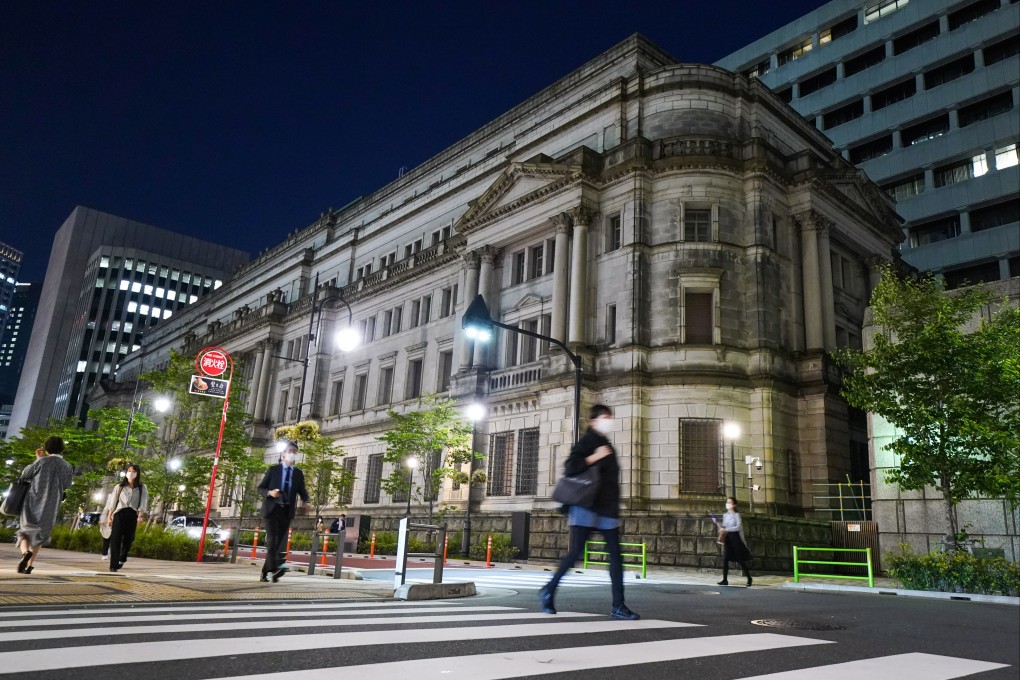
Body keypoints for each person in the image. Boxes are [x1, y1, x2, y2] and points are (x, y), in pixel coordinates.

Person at [540, 404, 639, 620]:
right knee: (575, 553)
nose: (609, 421)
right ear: (594, 421)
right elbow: (570, 467)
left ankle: (618, 606)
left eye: (610, 417)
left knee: (616, 557)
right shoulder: (588, 441)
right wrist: (593, 457)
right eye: (605, 417)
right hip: (585, 505)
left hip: (606, 508)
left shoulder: (606, 443)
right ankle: (549, 589)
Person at [15, 436, 74, 574]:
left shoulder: (42, 461)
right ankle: (29, 566)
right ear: (62, 449)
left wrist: (37, 458)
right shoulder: (67, 466)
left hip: (33, 500)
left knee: (25, 531)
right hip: (51, 505)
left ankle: (25, 553)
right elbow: (67, 485)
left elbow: (25, 475)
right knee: (39, 536)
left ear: (46, 448)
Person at [257, 441, 309, 582]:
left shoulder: (298, 473)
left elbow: (302, 490)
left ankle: (266, 573)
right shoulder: (274, 470)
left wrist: (306, 501)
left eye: (295, 451)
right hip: (272, 511)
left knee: (277, 544)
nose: (292, 454)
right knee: (272, 541)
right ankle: (275, 569)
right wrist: (270, 493)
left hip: (286, 512)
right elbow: (260, 488)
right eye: (290, 451)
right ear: (284, 453)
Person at [104, 463, 148, 572]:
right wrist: (109, 517)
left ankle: (122, 558)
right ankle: (113, 565)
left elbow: (143, 503)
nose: (130, 473)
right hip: (119, 514)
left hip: (132, 514)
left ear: (137, 473)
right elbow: (113, 502)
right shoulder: (120, 486)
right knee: (115, 539)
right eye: (129, 471)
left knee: (129, 539)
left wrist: (140, 516)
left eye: (133, 471)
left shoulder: (142, 488)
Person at [713, 496, 753, 586]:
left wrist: (727, 529)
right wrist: (717, 523)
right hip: (728, 539)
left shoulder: (736, 515)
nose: (728, 504)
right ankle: (725, 579)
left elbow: (738, 527)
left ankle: (749, 578)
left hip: (736, 538)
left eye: (730, 502)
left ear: (734, 505)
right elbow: (724, 526)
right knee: (726, 559)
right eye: (727, 502)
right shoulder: (725, 515)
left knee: (740, 560)